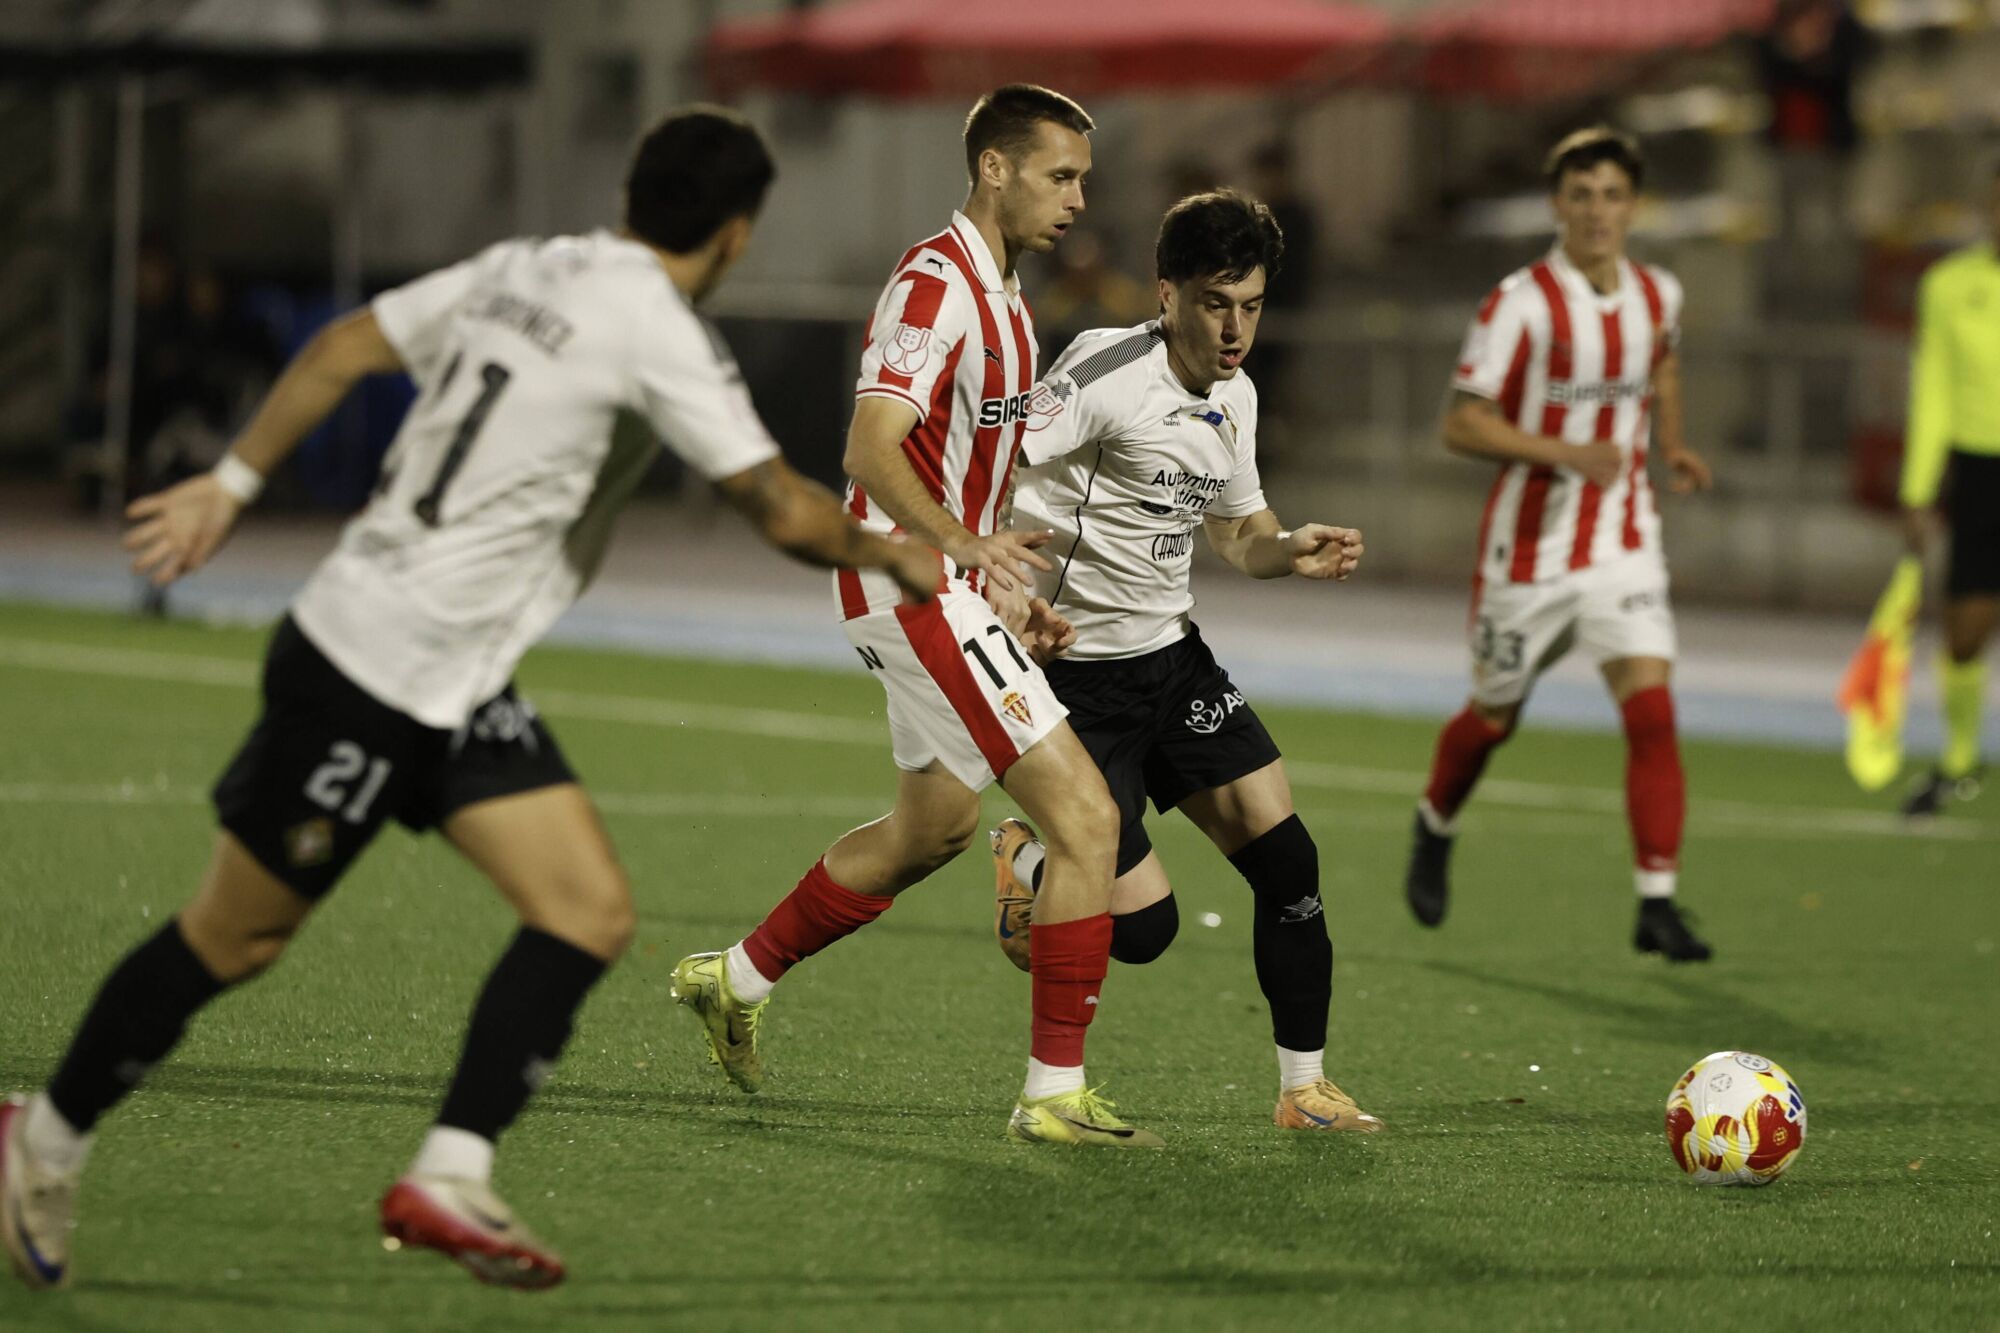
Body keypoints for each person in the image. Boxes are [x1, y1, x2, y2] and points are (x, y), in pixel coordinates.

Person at [0, 105, 939, 1294]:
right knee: (232, 937)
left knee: (584, 911)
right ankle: (40, 1140)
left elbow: (344, 344)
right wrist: (900, 553)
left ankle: (447, 1174)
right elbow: (780, 508)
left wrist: (230, 484)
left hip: (449, 680)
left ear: (631, 194)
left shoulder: (525, 266)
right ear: (737, 234)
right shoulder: (657, 330)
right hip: (366, 669)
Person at [669, 85, 1162, 1150]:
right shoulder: (937, 285)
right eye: (1060, 175)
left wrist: (1006, 589)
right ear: (994, 168)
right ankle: (1052, 1094)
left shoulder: (1009, 299)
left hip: (943, 584)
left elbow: (966, 476)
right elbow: (869, 445)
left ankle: (734, 976)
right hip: (906, 580)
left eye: (1082, 179)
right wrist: (961, 549)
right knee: (1085, 818)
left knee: (930, 830)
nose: (1078, 199)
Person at [987, 190, 1381, 1133]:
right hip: (1073, 678)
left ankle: (1304, 1089)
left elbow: (1240, 532)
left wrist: (1289, 549)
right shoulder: (1106, 369)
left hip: (1173, 663)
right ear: (1166, 293)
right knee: (1145, 930)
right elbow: (990, 458)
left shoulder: (1236, 395)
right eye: (1215, 303)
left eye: (1251, 304)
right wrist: (993, 574)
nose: (1236, 328)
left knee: (1289, 863)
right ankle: (1026, 859)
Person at [1402, 127, 1716, 962]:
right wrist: (1566, 452)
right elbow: (1460, 423)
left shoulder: (1659, 293)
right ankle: (1435, 821)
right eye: (1581, 196)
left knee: (1653, 712)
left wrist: (1672, 444)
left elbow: (1663, 366)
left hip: (1625, 542)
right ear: (1557, 205)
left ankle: (1657, 902)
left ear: (1633, 205)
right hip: (1530, 555)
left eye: (1612, 195)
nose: (1597, 211)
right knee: (1492, 719)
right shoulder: (1521, 303)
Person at [1897, 167, 2000, 818]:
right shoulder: (1948, 285)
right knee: (1964, 634)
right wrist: (1917, 489)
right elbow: (1932, 387)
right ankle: (1960, 760)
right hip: (1980, 472)